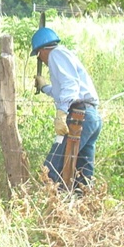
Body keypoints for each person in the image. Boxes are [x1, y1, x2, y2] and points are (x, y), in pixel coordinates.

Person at [31, 27, 103, 191]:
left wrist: (61, 113)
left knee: (53, 167)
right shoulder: (64, 55)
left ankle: (54, 209)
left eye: (38, 54)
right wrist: (44, 87)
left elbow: (70, 85)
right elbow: (63, 89)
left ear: (42, 50)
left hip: (79, 115)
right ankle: (82, 207)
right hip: (91, 116)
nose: (40, 60)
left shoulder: (56, 54)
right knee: (82, 172)